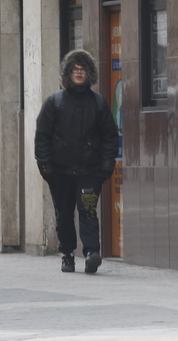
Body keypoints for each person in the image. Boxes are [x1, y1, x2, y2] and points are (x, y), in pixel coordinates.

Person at [34, 49, 118, 274]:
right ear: (68, 73)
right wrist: (46, 167)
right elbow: (42, 136)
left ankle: (92, 253)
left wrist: (106, 167)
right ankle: (67, 254)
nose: (79, 73)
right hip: (60, 172)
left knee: (88, 211)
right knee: (64, 214)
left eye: (83, 69)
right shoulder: (55, 102)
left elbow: (110, 136)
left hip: (90, 171)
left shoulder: (98, 103)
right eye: (75, 69)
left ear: (89, 73)